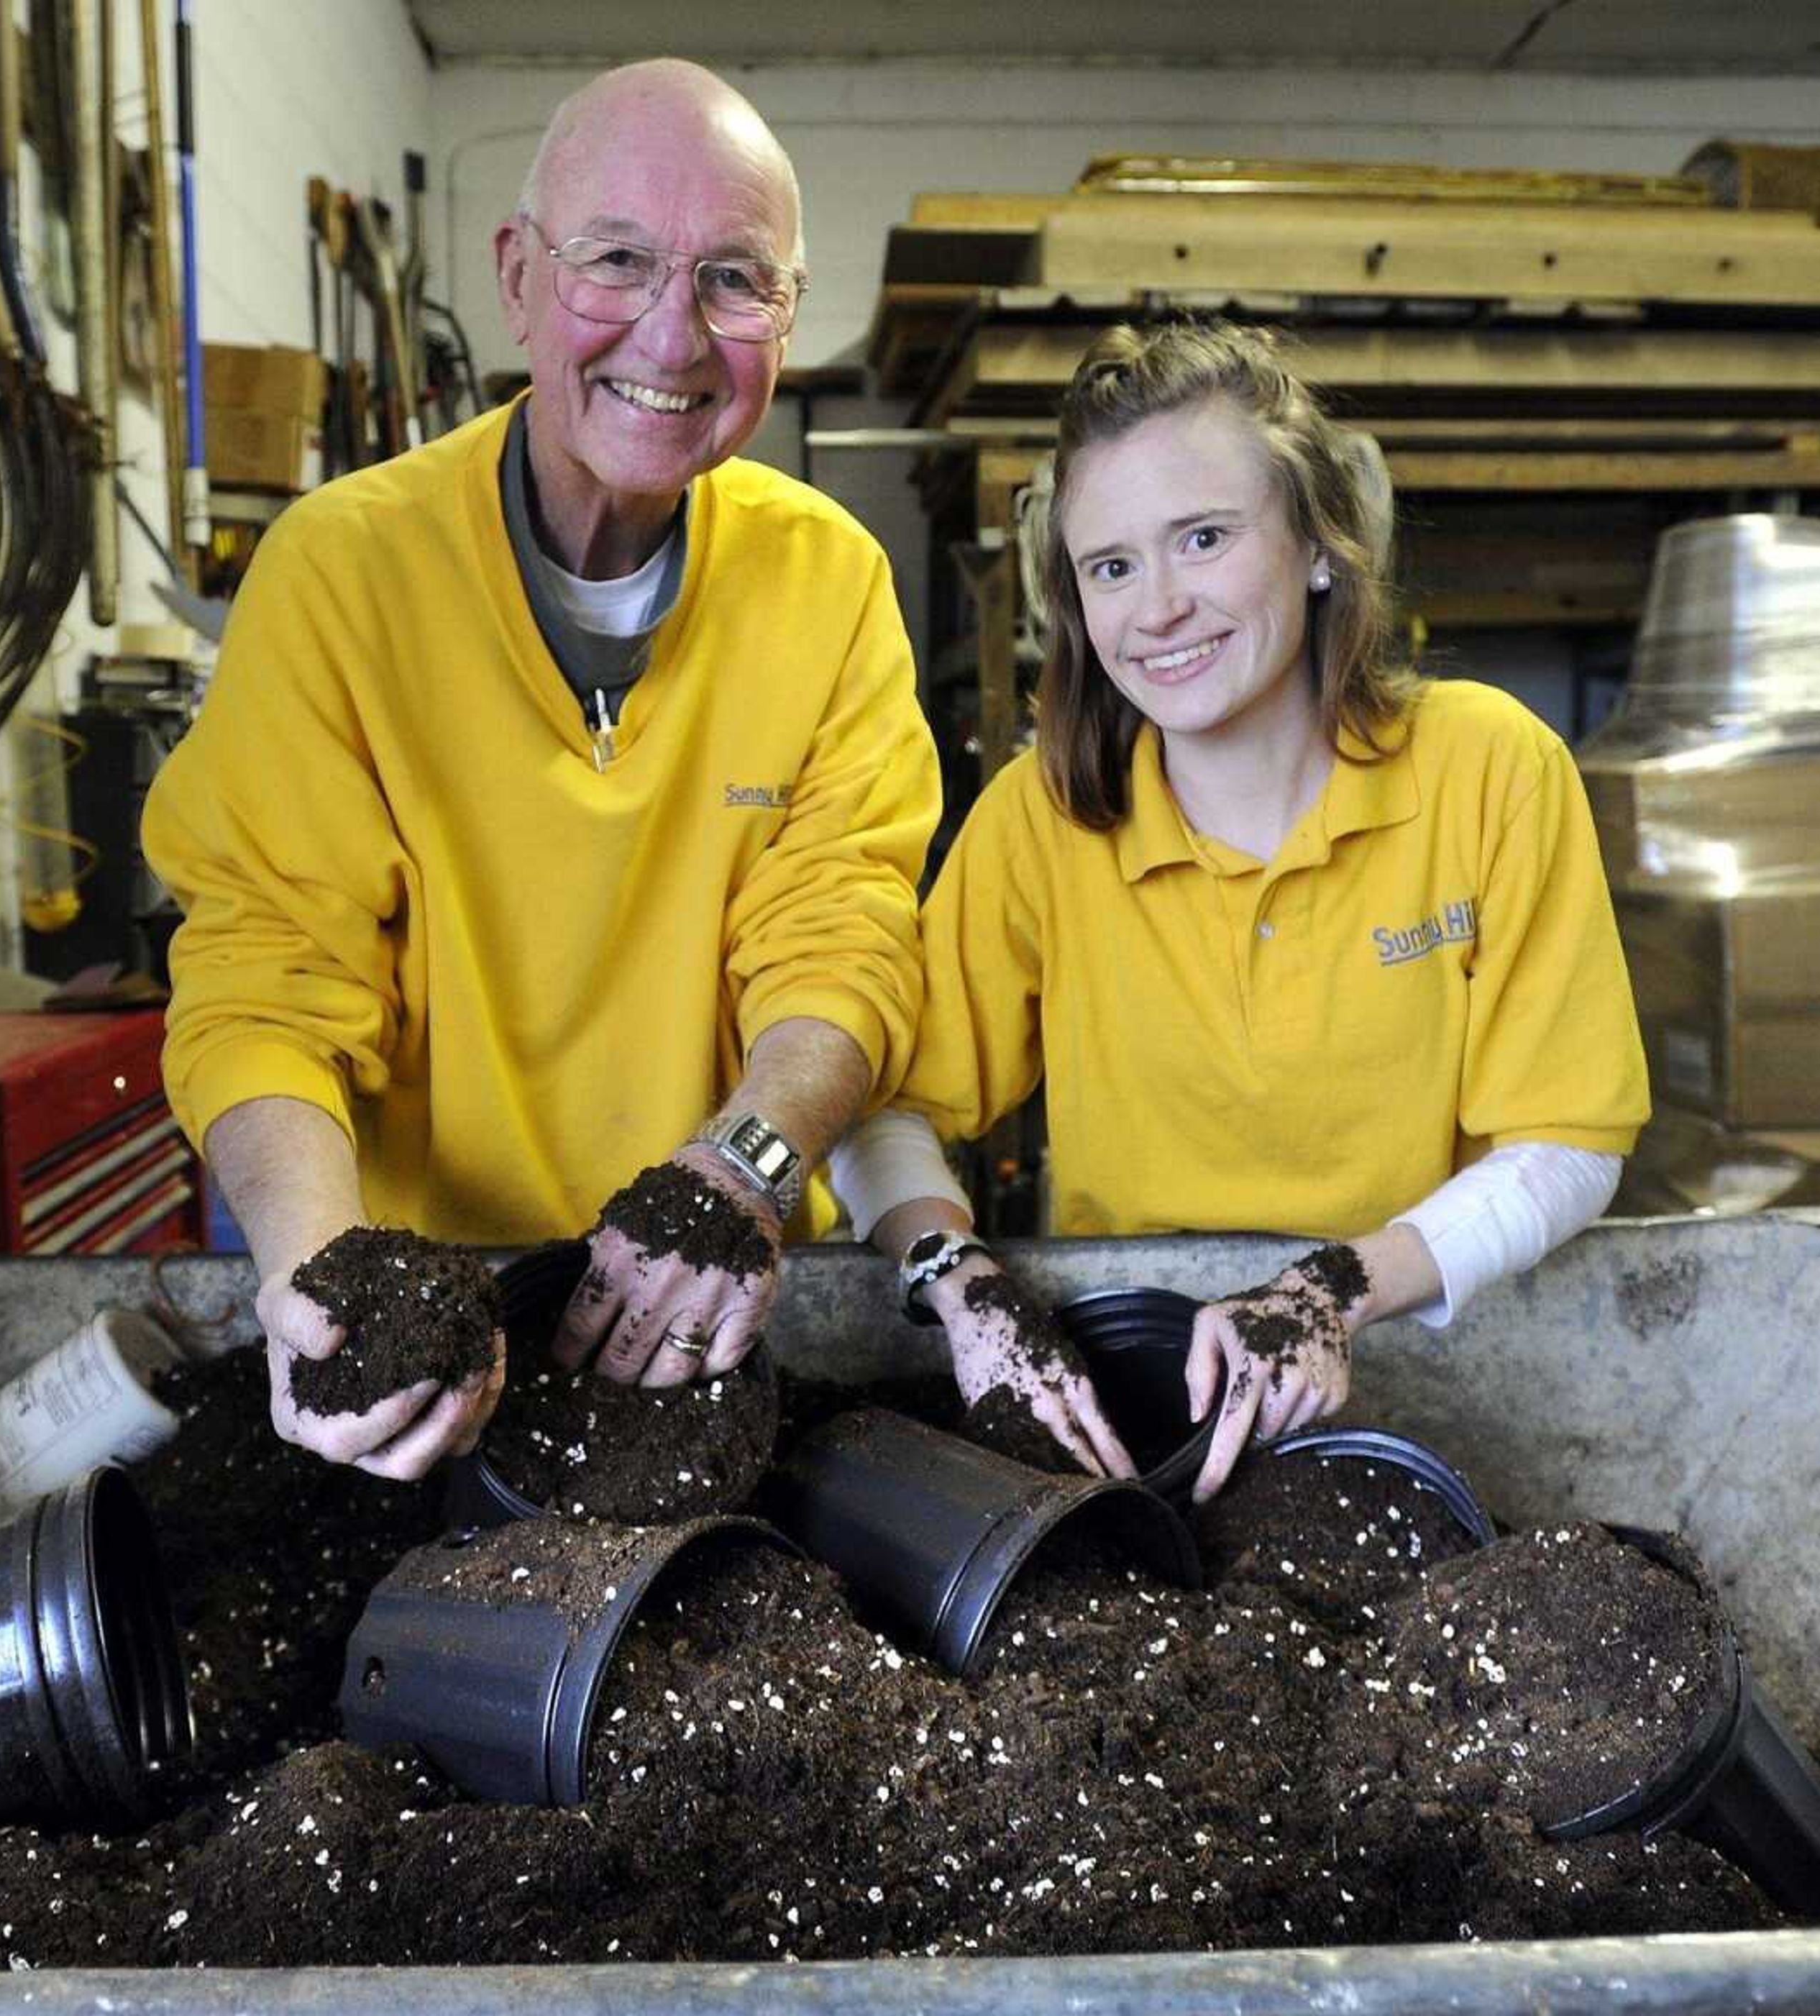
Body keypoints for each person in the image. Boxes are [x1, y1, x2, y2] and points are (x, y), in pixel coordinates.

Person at [145, 60, 939, 1480]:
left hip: (712, 1332)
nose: (673, 334)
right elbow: (266, 976)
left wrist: (741, 1172)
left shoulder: (831, 585)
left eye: (734, 280)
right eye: (617, 260)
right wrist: (336, 1293)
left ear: (789, 315)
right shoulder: (342, 573)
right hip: (428, 1337)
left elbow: (843, 941)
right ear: (518, 278)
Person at [831, 320, 1647, 1499]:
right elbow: (885, 1106)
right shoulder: (1045, 821)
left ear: (1320, 545)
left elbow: (1570, 1143)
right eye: (1111, 567)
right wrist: (963, 1289)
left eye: (1203, 539)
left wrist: (1331, 1293)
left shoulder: (1488, 771)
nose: (1157, 608)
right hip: (1139, 1406)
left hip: (1433, 1379)